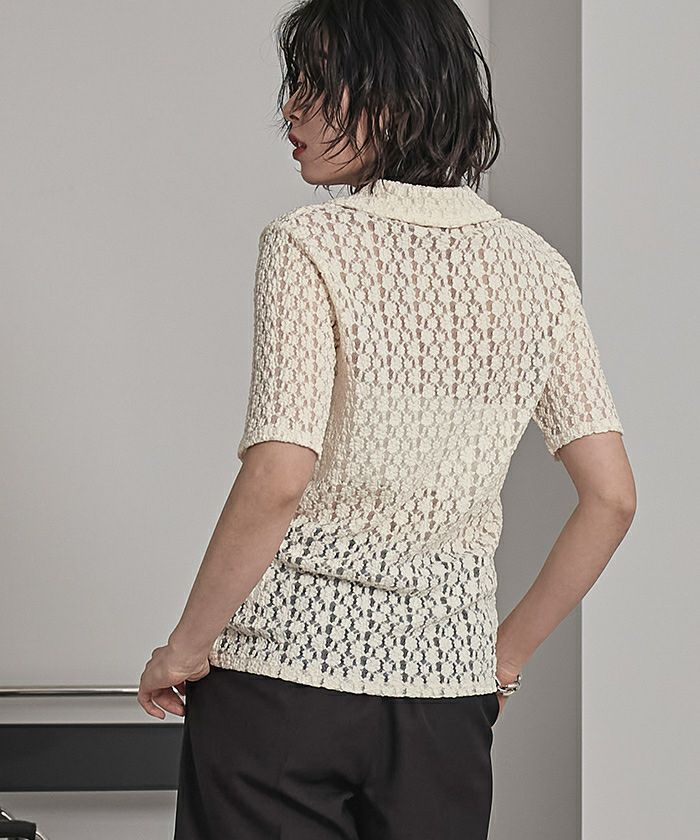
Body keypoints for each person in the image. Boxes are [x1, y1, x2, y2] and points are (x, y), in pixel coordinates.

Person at [138, 1, 636, 838]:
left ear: (398, 96)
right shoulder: (538, 269)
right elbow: (612, 499)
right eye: (295, 84)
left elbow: (279, 475)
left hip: (282, 685)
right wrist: (499, 661)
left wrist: (186, 648)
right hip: (446, 707)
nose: (291, 109)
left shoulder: (309, 243)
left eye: (319, 85)